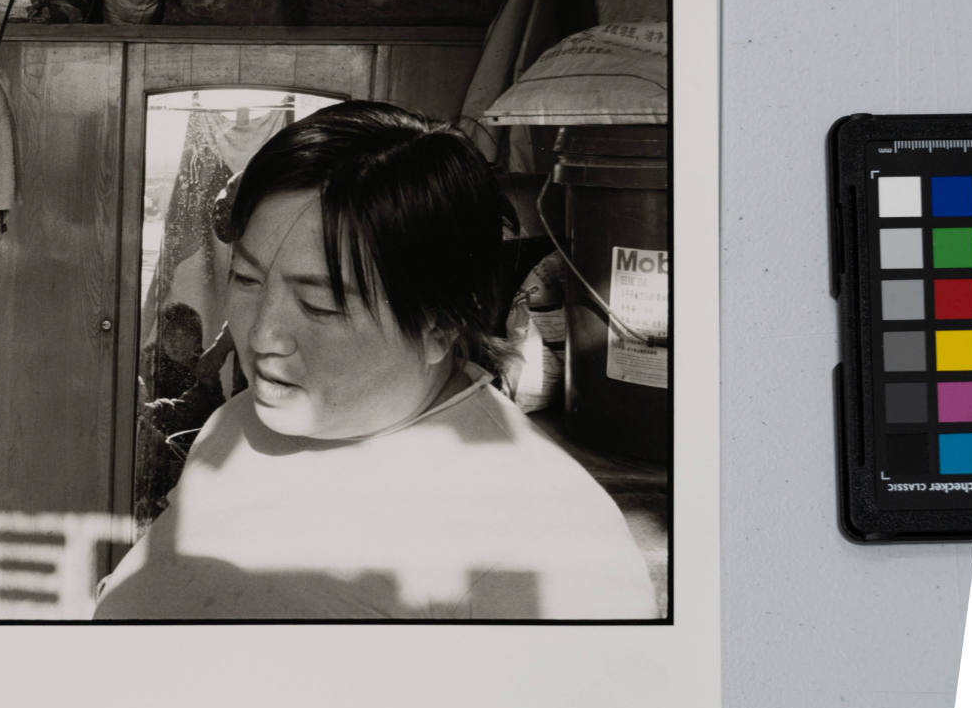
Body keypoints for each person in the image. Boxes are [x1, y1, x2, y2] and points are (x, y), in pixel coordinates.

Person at [93, 100, 656, 620]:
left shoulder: (550, 549)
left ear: (439, 324)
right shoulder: (238, 423)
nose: (262, 333)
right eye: (246, 278)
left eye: (321, 305)